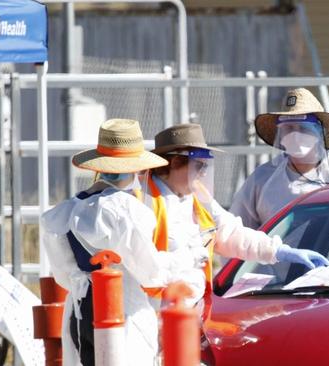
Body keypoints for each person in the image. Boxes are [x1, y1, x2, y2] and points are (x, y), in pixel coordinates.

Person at [41, 119, 209, 366]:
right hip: (122, 315)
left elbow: (64, 276)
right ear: (135, 170)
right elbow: (152, 273)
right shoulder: (123, 209)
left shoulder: (65, 211)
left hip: (78, 315)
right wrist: (189, 257)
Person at [143, 123, 329, 305]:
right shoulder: (143, 202)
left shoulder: (198, 199)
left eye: (206, 166)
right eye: (199, 166)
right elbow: (146, 266)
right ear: (175, 162)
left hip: (191, 311)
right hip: (156, 315)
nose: (203, 173)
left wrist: (279, 251)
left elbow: (231, 233)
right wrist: (190, 256)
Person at [230, 88, 329, 229]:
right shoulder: (261, 179)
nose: (295, 135)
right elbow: (239, 230)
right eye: (288, 128)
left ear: (320, 132)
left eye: (304, 128)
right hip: (276, 251)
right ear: (280, 134)